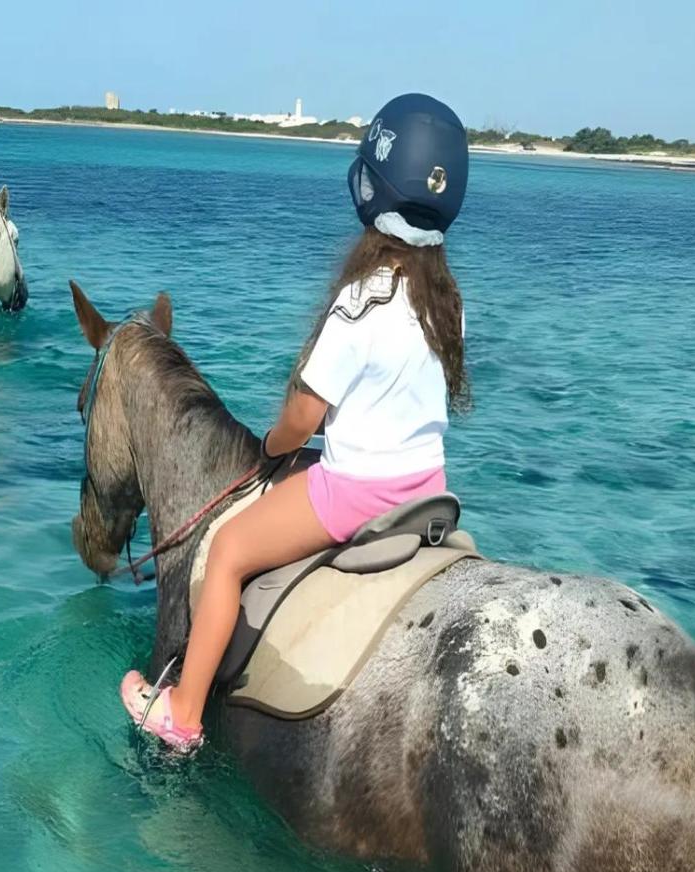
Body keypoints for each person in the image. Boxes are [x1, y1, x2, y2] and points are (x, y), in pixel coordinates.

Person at [120, 93, 473, 751]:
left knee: (227, 552)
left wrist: (272, 445)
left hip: (357, 493)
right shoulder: (448, 304)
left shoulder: (360, 301)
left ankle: (183, 714)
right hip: (426, 487)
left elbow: (302, 420)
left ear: (372, 189)